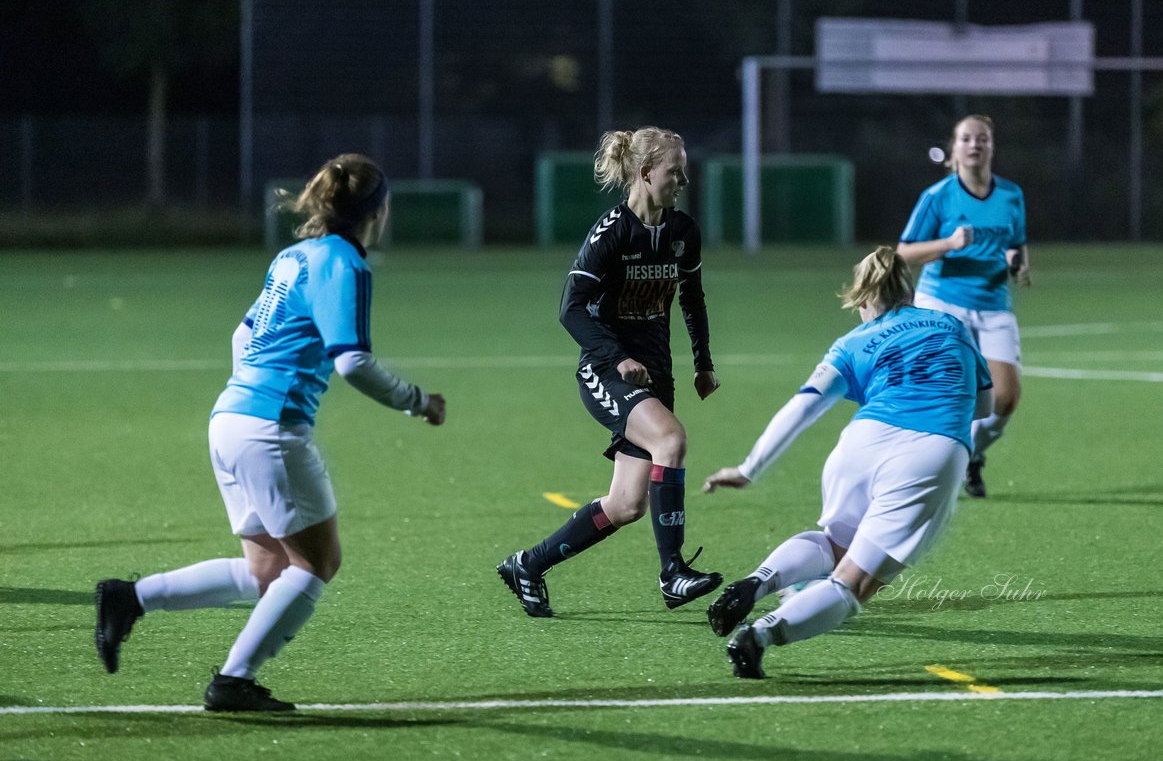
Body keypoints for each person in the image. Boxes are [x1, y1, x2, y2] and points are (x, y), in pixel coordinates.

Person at [94, 154, 446, 711]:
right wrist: (418, 402)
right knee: (317, 564)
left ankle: (131, 597)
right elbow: (351, 361)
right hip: (268, 430)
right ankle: (233, 681)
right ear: (377, 210)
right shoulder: (344, 263)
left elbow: (243, 336)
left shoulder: (292, 257)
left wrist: (253, 395)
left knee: (267, 571)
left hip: (229, 420)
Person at [702, 246, 992, 678]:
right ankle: (757, 636)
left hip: (860, 443)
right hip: (930, 454)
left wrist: (748, 469)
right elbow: (983, 404)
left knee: (835, 544)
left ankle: (755, 583)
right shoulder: (952, 325)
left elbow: (802, 408)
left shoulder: (852, 342)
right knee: (853, 583)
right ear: (907, 291)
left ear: (862, 299)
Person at [497, 126, 722, 617]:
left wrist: (702, 363)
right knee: (672, 441)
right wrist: (616, 355)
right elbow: (570, 308)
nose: (682, 180)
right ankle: (673, 574)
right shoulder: (612, 233)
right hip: (607, 371)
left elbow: (693, 298)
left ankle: (527, 566)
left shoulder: (683, 232)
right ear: (645, 173)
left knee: (625, 506)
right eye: (674, 171)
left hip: (655, 376)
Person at [897, 114, 1030, 498]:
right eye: (967, 139)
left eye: (982, 139)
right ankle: (922, 471)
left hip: (993, 304)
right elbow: (903, 253)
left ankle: (969, 455)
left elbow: (1016, 243)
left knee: (1004, 399)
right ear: (954, 148)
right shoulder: (937, 197)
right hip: (942, 303)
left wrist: (1018, 263)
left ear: (991, 147)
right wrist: (949, 245)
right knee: (951, 393)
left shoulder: (1011, 195)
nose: (975, 145)